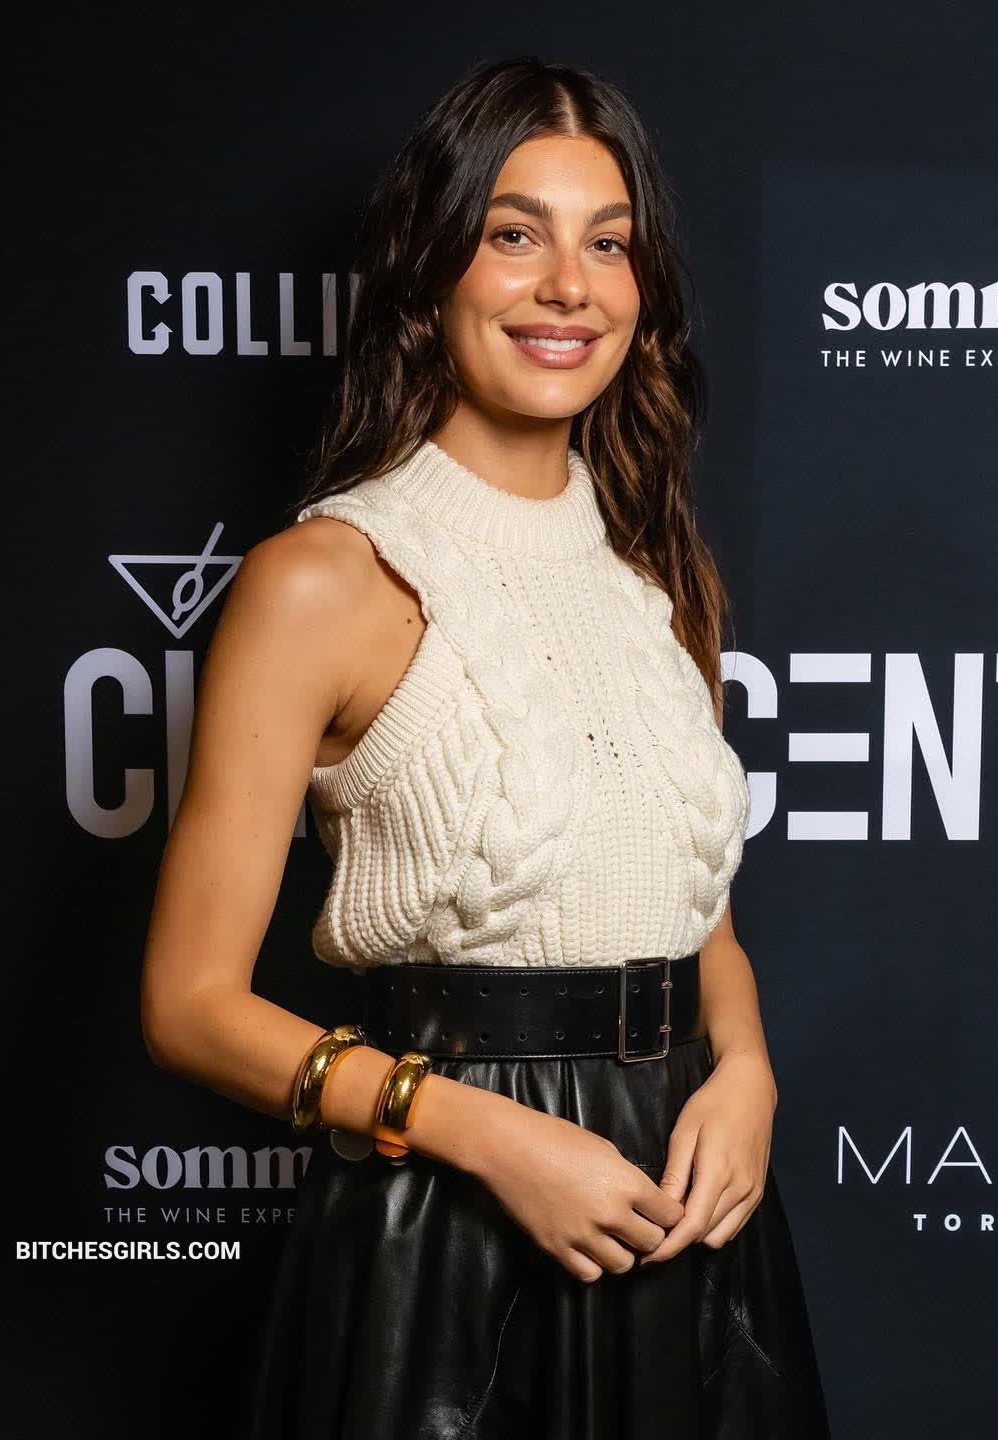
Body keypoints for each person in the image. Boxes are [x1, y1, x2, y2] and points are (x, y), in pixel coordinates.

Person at [141, 54, 831, 1440]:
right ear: (432, 268)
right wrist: (492, 1138)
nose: (570, 285)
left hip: (686, 1209)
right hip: (447, 1225)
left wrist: (748, 1070)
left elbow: (694, 916)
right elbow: (189, 1006)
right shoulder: (323, 578)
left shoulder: (655, 574)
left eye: (608, 243)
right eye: (517, 235)